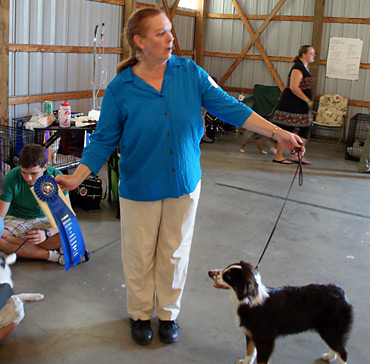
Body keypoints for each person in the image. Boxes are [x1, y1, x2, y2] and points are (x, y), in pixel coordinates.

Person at [55, 7, 305, 346]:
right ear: (140, 42)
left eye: (170, 30)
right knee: (139, 254)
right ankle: (141, 314)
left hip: (183, 183)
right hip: (140, 185)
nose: (171, 37)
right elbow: (103, 139)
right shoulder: (120, 89)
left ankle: (168, 314)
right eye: (161, 33)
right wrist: (78, 176)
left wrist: (280, 134)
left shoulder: (191, 74)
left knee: (175, 252)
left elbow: (232, 108)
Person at [0, 144, 70, 265]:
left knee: (67, 235)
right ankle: (51, 255)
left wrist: (47, 233)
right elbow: (1, 217)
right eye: (24, 172)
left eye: (33, 173)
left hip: (45, 219)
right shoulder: (11, 177)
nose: (28, 178)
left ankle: (19, 245)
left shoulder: (56, 177)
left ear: (44, 167)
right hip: (17, 219)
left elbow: (66, 217)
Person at [272, 45, 316, 164]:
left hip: (300, 104)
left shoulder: (304, 67)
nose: (314, 56)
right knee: (287, 128)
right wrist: (307, 100)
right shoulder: (297, 68)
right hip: (292, 103)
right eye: (311, 53)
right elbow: (294, 87)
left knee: (305, 128)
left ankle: (297, 154)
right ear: (304, 54)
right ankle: (279, 156)